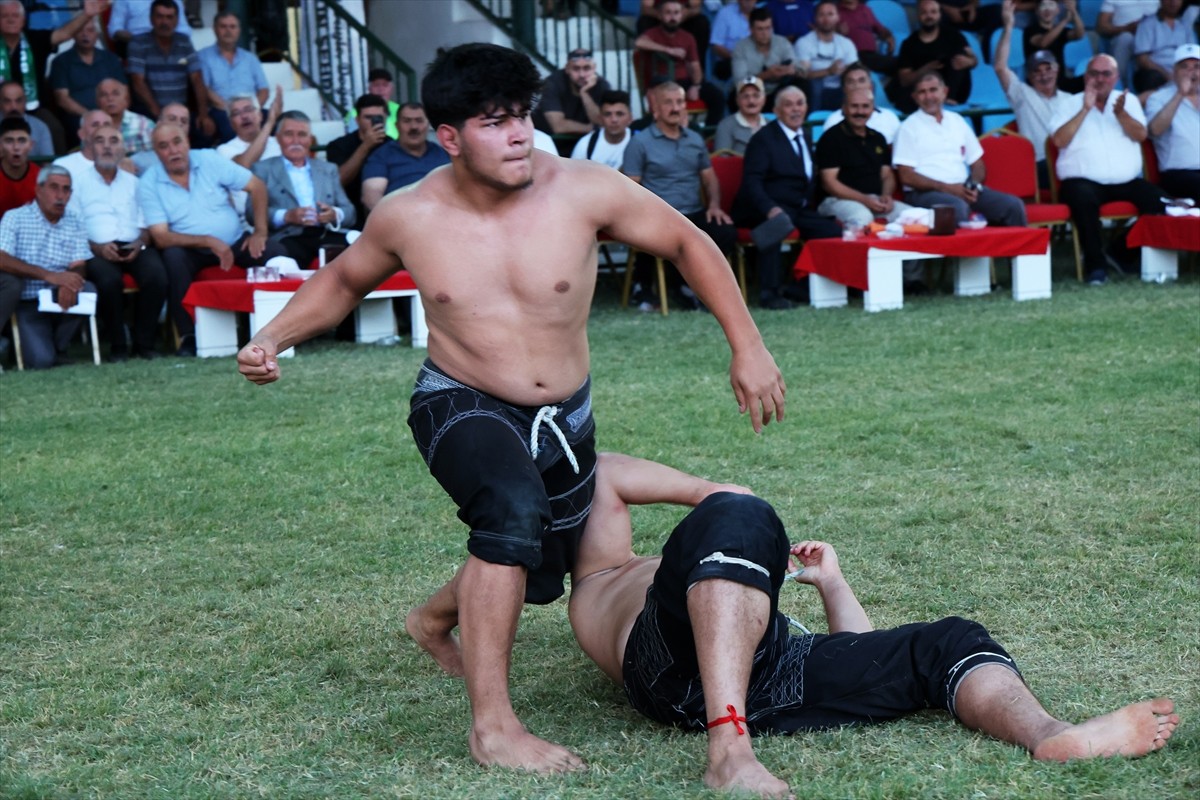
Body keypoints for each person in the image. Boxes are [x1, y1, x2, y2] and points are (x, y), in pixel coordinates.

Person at [236, 43, 785, 775]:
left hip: (565, 415)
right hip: (459, 400)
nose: (520, 134)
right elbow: (342, 282)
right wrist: (272, 336)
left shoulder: (585, 190)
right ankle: (492, 728)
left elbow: (688, 243)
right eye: (495, 123)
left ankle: (432, 619)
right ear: (451, 137)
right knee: (509, 514)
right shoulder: (410, 214)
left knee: (538, 565)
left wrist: (747, 347)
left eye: (523, 116)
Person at [557, 451, 1180, 799]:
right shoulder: (601, 574)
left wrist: (832, 583)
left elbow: (856, 650)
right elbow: (641, 478)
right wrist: (728, 504)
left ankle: (1050, 734)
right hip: (665, 664)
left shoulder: (711, 577)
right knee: (739, 513)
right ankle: (729, 751)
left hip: (763, 667)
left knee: (949, 641)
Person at [139, 121, 285, 356]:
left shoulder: (209, 159)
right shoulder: (148, 183)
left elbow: (256, 186)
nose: (173, 151)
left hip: (236, 241)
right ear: (156, 152)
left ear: (187, 141)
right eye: (164, 146)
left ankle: (284, 331)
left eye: (177, 142)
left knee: (276, 252)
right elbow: (161, 237)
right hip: (190, 249)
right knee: (173, 258)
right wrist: (208, 240)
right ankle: (189, 337)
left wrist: (260, 231)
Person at [1049, 54, 1166, 285]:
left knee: (1160, 202)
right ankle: (1096, 267)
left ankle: (1120, 253)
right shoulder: (1068, 103)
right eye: (1094, 73)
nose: (1100, 79)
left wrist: (1121, 114)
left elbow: (1141, 135)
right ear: (1086, 77)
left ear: (1116, 78)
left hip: (1126, 180)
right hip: (1082, 180)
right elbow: (1059, 141)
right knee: (1083, 201)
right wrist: (1085, 109)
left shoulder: (1128, 101)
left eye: (1106, 74)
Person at [622, 81, 738, 310]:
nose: (675, 108)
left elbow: (710, 179)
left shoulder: (695, 139)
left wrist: (714, 205)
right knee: (657, 237)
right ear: (655, 107)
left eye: (680, 102)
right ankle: (658, 286)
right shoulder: (640, 142)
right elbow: (630, 187)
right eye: (668, 103)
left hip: (694, 212)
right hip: (659, 215)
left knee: (726, 233)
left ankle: (695, 285)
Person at [733, 86, 842, 310]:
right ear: (777, 110)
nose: (795, 109)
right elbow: (752, 181)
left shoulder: (806, 135)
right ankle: (768, 293)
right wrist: (769, 208)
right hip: (763, 207)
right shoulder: (763, 139)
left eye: (800, 103)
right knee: (777, 224)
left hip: (797, 207)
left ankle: (801, 287)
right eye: (789, 104)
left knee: (831, 230)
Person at [72, 124, 167, 360]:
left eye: (113, 141)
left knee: (157, 276)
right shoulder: (78, 184)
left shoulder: (136, 183)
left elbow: (147, 225)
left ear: (123, 148)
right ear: (90, 148)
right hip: (95, 248)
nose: (107, 146)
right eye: (100, 141)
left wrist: (140, 243)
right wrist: (97, 247)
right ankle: (118, 346)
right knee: (108, 281)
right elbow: (74, 228)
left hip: (134, 244)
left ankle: (144, 344)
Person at [894, 70, 1028, 225]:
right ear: (915, 98)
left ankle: (1015, 250)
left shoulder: (957, 121)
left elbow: (977, 164)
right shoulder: (908, 127)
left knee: (1012, 206)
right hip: (925, 193)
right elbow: (906, 176)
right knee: (957, 208)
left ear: (944, 92)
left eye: (933, 90)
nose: (929, 97)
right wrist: (946, 188)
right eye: (922, 92)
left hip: (963, 189)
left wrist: (974, 186)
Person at [0, 165, 95, 369]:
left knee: (87, 289)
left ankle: (58, 347)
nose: (60, 196)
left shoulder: (75, 219)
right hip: (28, 300)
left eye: (66, 189)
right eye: (54, 188)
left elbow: (79, 264)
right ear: (38, 190)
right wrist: (50, 276)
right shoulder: (15, 218)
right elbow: (2, 258)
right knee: (41, 361)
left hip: (59, 296)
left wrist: (69, 282)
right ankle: (44, 348)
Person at [252, 110, 355, 268]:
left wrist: (334, 214)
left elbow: (350, 212)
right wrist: (286, 216)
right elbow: (251, 213)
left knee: (362, 247)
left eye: (302, 134)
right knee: (283, 261)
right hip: (288, 236)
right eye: (289, 134)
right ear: (278, 138)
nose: (296, 141)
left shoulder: (328, 169)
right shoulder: (263, 169)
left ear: (310, 139)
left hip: (325, 233)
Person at [994, 0, 1077, 189]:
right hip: (1040, 164)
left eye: (1048, 69)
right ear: (1029, 76)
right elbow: (1000, 67)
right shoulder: (1022, 94)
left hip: (1069, 162)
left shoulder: (1070, 100)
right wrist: (1008, 27)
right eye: (1036, 71)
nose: (1043, 75)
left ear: (1057, 70)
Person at [816, 87, 919, 235]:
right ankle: (856, 258)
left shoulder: (878, 138)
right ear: (844, 109)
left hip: (874, 201)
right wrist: (864, 199)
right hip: (836, 201)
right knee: (862, 218)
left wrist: (886, 196)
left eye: (865, 106)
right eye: (854, 106)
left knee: (912, 217)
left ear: (872, 110)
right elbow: (829, 183)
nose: (860, 112)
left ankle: (905, 259)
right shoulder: (831, 139)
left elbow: (887, 175)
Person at [126, 0, 213, 142]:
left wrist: (203, 114)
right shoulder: (138, 43)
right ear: (151, 18)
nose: (164, 22)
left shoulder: (184, 42)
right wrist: (160, 115)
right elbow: (138, 82)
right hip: (150, 113)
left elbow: (197, 78)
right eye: (159, 16)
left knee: (204, 133)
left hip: (180, 112)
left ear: (177, 20)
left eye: (170, 17)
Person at [634, 0, 724, 125]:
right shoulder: (653, 33)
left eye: (676, 13)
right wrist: (668, 50)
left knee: (717, 96)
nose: (672, 17)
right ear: (660, 15)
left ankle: (708, 137)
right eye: (668, 13)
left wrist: (696, 86)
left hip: (684, 82)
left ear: (681, 15)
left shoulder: (688, 37)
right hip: (663, 82)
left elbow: (695, 65)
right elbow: (639, 43)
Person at [48, 17, 127, 143]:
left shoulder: (111, 59)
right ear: (72, 34)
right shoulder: (61, 62)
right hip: (78, 118)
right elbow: (62, 99)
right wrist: (89, 116)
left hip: (111, 115)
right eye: (80, 31)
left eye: (90, 30)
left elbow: (124, 92)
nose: (85, 35)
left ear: (97, 34)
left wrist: (110, 116)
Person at [197, 10, 269, 143]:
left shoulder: (250, 58)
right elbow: (205, 89)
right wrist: (232, 110)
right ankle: (240, 161)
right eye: (223, 26)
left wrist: (253, 109)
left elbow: (264, 90)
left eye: (232, 26)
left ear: (239, 30)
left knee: (276, 121)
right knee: (229, 127)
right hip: (222, 110)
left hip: (252, 108)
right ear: (215, 29)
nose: (228, 31)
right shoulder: (203, 57)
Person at [892, 0, 978, 113]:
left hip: (955, 92)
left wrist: (971, 62)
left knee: (957, 58)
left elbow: (973, 60)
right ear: (918, 15)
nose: (929, 16)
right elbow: (904, 80)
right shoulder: (909, 44)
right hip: (924, 93)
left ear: (940, 15)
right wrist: (927, 69)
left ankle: (949, 99)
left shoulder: (954, 36)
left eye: (933, 12)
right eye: (924, 12)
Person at [361, 103, 449, 211]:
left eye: (419, 121)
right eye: (407, 121)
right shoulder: (381, 156)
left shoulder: (443, 154)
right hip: (400, 218)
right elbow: (371, 196)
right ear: (397, 125)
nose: (414, 127)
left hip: (443, 215)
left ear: (428, 125)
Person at [325, 93, 391, 229]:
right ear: (357, 120)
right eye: (368, 117)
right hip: (352, 214)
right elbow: (338, 180)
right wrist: (366, 146)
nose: (374, 121)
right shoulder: (338, 145)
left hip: (387, 210)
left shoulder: (394, 146)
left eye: (378, 117)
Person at [216, 93, 283, 222]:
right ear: (231, 123)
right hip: (249, 223)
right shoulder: (224, 150)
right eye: (236, 113)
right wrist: (270, 123)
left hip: (284, 215)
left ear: (260, 115)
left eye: (248, 110)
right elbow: (244, 166)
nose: (244, 116)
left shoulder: (279, 143)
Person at [530, 48, 612, 153]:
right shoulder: (553, 83)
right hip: (550, 143)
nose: (582, 74)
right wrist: (593, 128)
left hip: (586, 144)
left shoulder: (601, 85)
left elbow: (602, 121)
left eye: (587, 68)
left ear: (594, 68)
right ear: (567, 69)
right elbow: (558, 126)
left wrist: (585, 93)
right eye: (576, 69)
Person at [1146, 43, 1200, 199]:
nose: (1191, 72)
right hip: (1178, 173)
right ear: (1174, 72)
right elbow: (1155, 130)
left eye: (1196, 66)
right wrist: (1180, 95)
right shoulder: (1159, 98)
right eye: (1185, 67)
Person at [793, 0, 859, 111]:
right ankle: (814, 120)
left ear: (838, 17)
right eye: (821, 15)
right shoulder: (804, 42)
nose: (826, 19)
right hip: (815, 90)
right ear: (815, 18)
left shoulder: (846, 43)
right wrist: (828, 71)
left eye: (830, 14)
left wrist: (846, 72)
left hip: (841, 87)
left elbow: (855, 69)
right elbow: (802, 74)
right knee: (814, 84)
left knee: (862, 81)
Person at [731, 7, 807, 100]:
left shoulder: (782, 42)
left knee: (803, 84)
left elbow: (800, 69)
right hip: (754, 93)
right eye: (760, 29)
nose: (765, 33)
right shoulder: (740, 47)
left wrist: (792, 70)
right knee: (737, 93)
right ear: (751, 29)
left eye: (768, 28)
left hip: (780, 91)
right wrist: (766, 75)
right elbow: (739, 82)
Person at [819, 63, 902, 142]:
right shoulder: (833, 120)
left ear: (871, 87)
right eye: (850, 82)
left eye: (861, 81)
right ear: (844, 88)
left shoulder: (890, 118)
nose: (856, 86)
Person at [1132, 0, 1199, 94]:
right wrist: (1167, 74)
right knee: (1149, 77)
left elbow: (1194, 54)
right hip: (1158, 72)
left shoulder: (1185, 25)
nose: (1173, 2)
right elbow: (1142, 59)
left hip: (1184, 69)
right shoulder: (1147, 24)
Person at [1023, 0, 1084, 92]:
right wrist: (1065, 20)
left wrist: (1073, 12)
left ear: (1057, 10)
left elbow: (1079, 34)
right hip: (1040, 82)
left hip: (1060, 81)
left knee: (1090, 78)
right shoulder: (1030, 30)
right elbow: (1043, 42)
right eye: (1043, 6)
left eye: (1051, 5)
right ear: (1037, 11)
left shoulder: (1060, 30)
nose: (1047, 10)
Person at [1097, 0, 1160, 88]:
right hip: (1123, 35)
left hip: (1152, 38)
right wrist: (1126, 28)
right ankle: (1119, 86)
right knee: (1126, 38)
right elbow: (1101, 27)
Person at [569, 90, 634, 169]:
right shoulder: (585, 144)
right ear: (600, 118)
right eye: (607, 114)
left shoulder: (640, 142)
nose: (614, 119)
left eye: (619, 114)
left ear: (630, 118)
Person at [107, 0, 189, 59]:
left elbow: (184, 29)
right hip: (136, 44)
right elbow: (115, 29)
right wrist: (139, 40)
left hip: (169, 44)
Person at [51, 108, 113, 185]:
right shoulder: (63, 166)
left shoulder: (124, 165)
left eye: (106, 125)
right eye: (95, 125)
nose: (101, 129)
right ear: (82, 134)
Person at [95, 78, 154, 157]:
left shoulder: (144, 125)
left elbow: (154, 159)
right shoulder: (91, 127)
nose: (110, 99)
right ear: (97, 101)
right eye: (104, 95)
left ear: (126, 98)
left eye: (115, 94)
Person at [837, 0, 897, 76]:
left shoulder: (865, 9)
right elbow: (823, 33)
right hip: (853, 57)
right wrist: (836, 31)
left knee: (904, 69)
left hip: (871, 56)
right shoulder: (834, 11)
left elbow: (879, 28)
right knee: (902, 64)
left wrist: (889, 36)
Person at [712, 76, 767, 155]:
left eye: (756, 96)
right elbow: (722, 161)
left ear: (764, 100)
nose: (751, 101)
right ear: (737, 100)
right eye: (745, 96)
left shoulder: (771, 125)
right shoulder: (726, 126)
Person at [343, 67, 401, 139]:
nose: (380, 89)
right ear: (369, 88)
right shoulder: (355, 112)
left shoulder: (399, 109)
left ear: (391, 88)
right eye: (376, 85)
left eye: (385, 85)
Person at [1, 81, 52, 158]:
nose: (14, 107)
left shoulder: (40, 127)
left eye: (18, 101)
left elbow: (47, 164)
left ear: (25, 101)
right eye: (7, 101)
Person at [711, 0, 757, 81]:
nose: (748, 1)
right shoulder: (725, 14)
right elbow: (716, 46)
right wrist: (738, 57)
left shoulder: (762, 14)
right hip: (730, 60)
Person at [0, 116, 35, 217]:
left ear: (31, 145)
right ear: (0, 145)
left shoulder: (40, 178)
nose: (16, 147)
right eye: (9, 141)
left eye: (22, 141)